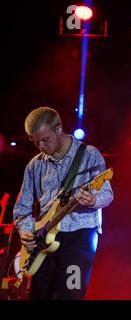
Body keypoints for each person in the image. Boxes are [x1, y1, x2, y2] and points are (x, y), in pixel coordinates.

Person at [13, 106, 113, 299]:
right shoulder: (35, 165)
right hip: (43, 241)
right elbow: (22, 209)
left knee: (70, 294)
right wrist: (25, 230)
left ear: (58, 129)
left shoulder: (90, 155)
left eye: (45, 140)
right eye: (36, 142)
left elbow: (107, 194)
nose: (41, 146)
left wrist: (93, 200)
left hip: (79, 239)